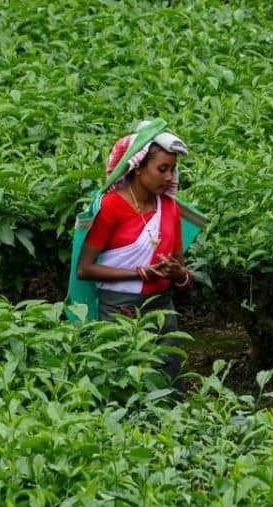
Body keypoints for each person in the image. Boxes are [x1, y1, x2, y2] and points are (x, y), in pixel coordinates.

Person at [73, 120, 196, 382]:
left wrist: (177, 274)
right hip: (119, 312)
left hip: (162, 309)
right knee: (123, 380)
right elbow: (85, 269)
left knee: (167, 381)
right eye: (162, 169)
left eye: (172, 170)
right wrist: (138, 273)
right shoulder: (111, 207)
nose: (168, 177)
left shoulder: (170, 208)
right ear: (138, 168)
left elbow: (183, 274)